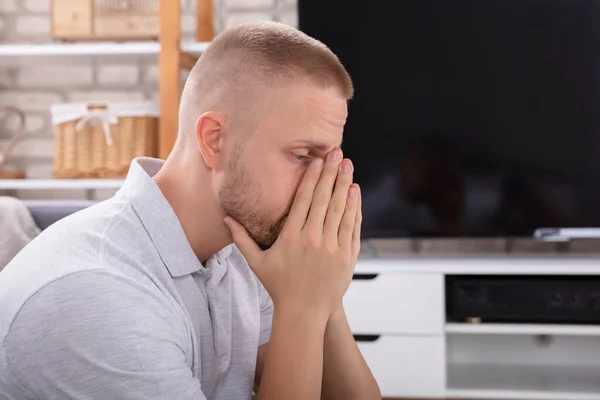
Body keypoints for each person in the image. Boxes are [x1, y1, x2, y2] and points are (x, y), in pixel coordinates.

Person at [0, 21, 381, 400]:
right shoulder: (93, 293)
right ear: (214, 140)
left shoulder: (241, 254)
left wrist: (324, 298)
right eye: (302, 157)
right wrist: (302, 307)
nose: (324, 186)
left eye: (330, 162)